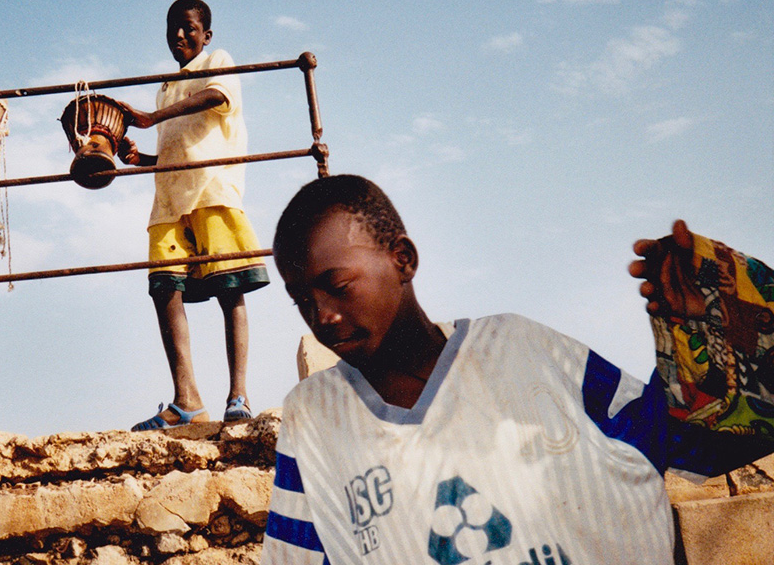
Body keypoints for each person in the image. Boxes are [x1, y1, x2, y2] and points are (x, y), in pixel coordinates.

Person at [261, 174, 773, 564]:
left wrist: (706, 327)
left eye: (338, 284)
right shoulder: (314, 421)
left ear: (403, 259)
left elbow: (696, 443)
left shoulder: (522, 350)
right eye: (302, 299)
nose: (322, 314)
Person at [114, 0, 269, 431]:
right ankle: (187, 399)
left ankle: (238, 395)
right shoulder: (166, 84)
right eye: (172, 28)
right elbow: (171, 149)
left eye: (187, 27)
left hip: (212, 190)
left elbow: (215, 97)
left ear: (206, 34)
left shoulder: (218, 61)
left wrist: (150, 117)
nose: (179, 36)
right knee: (164, 289)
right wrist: (140, 158)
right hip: (168, 200)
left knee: (229, 287)